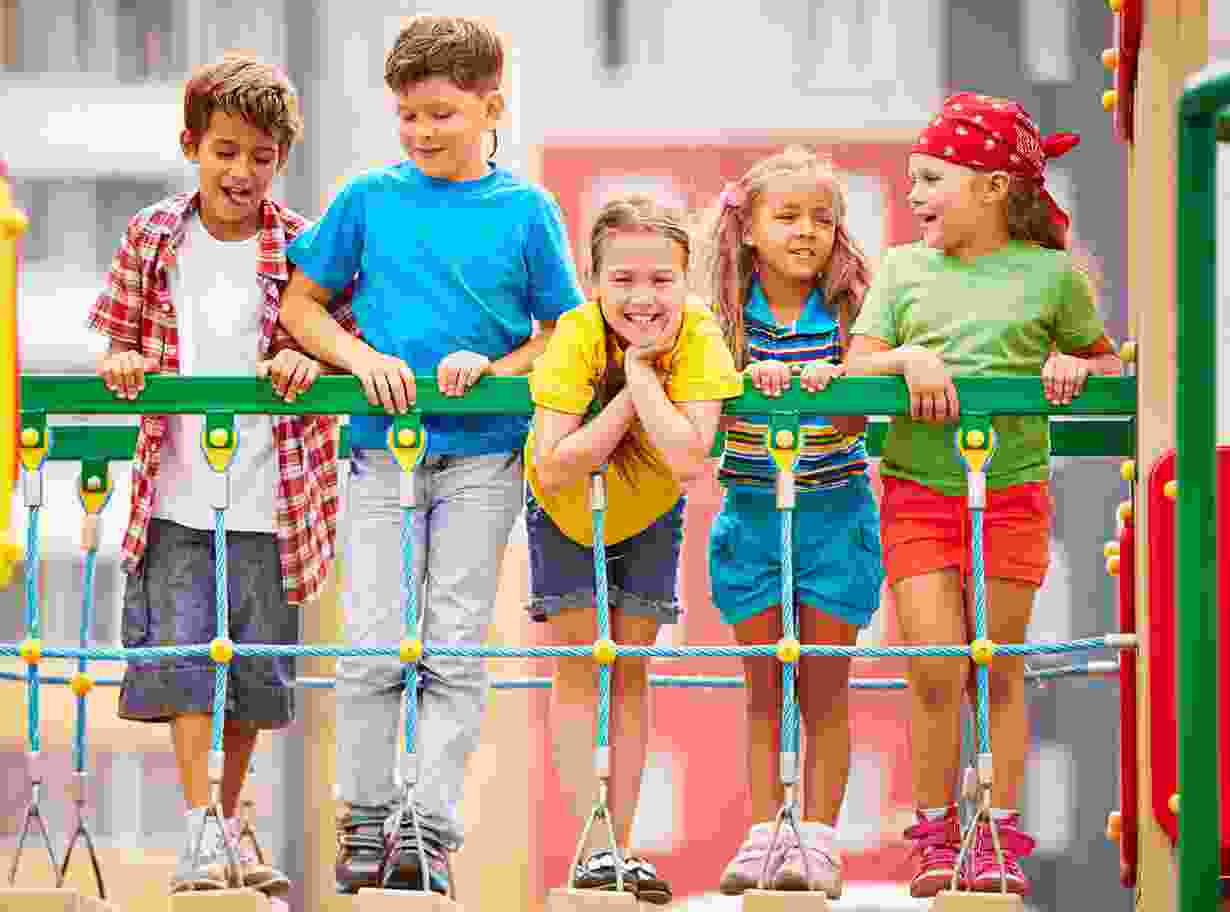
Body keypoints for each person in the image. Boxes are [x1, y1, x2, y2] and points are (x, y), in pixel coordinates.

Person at [277, 15, 586, 896]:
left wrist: (494, 368)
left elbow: (562, 334)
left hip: (484, 461)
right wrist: (359, 357)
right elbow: (302, 305)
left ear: (492, 109)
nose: (421, 132)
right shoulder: (367, 200)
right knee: (374, 642)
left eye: (441, 114)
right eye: (408, 116)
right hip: (381, 457)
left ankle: (430, 830)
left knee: (454, 646)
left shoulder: (526, 211)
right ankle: (365, 820)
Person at [845, 92, 1121, 898]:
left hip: (1010, 494)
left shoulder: (1052, 277)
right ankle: (937, 830)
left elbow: (1105, 363)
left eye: (932, 178)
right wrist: (909, 360)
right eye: (911, 180)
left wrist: (1073, 366)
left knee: (994, 663)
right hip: (919, 491)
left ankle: (995, 830)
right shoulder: (903, 269)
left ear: (995, 187)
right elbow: (857, 367)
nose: (915, 195)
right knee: (935, 664)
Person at [87, 53, 349, 896]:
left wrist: (309, 362)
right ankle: (201, 825)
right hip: (177, 492)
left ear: (282, 159)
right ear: (191, 146)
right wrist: (126, 360)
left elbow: (334, 343)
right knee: (190, 665)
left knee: (256, 675)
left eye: (261, 157)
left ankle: (228, 822)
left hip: (275, 498)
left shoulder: (304, 244)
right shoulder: (154, 235)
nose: (241, 172)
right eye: (225, 151)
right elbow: (119, 336)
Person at [526, 195, 741, 905]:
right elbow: (555, 464)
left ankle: (618, 846)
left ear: (686, 282)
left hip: (648, 505)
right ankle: (592, 847)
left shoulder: (700, 334)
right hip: (566, 510)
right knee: (581, 668)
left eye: (660, 280)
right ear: (594, 282)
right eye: (622, 280)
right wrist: (633, 392)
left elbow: (690, 456)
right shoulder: (578, 334)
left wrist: (642, 373)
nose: (642, 298)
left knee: (631, 670)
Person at [697, 147, 883, 899]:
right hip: (751, 517)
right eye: (788, 216)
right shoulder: (720, 319)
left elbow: (858, 413)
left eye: (822, 219)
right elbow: (706, 407)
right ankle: (767, 831)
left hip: (833, 516)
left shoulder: (848, 313)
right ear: (749, 229)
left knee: (825, 688)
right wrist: (744, 381)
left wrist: (837, 381)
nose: (807, 231)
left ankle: (821, 840)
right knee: (765, 688)